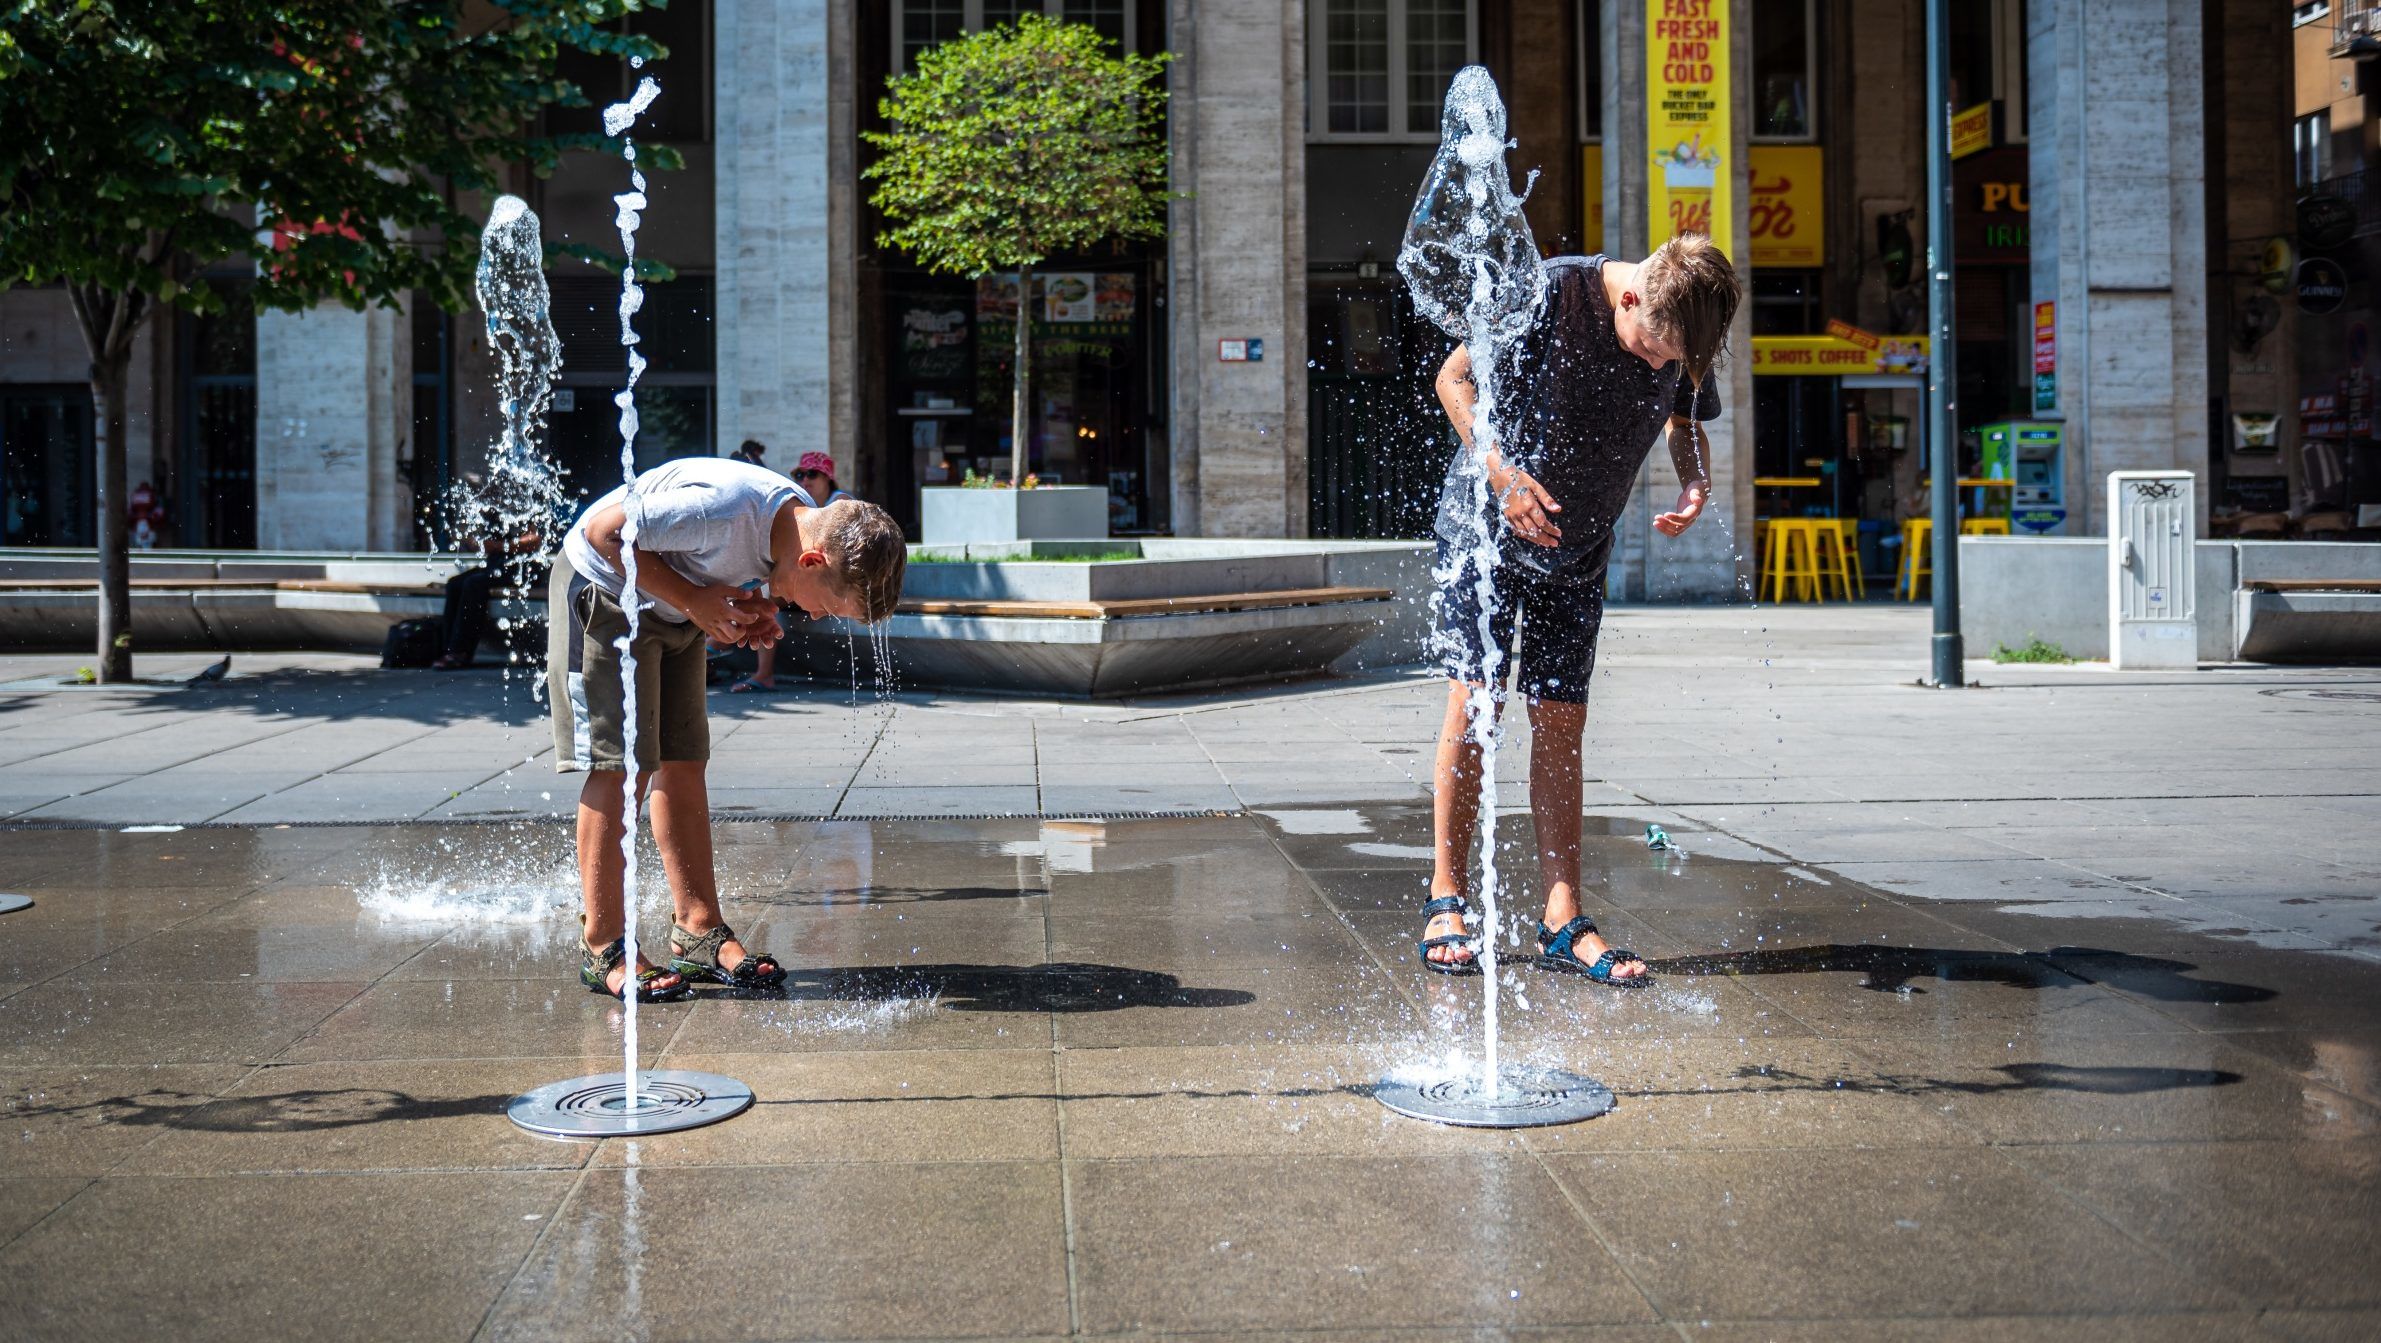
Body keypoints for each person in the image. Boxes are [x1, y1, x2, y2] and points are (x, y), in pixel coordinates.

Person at [1417, 234, 1741, 985]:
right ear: (1630, 298)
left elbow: (1684, 421)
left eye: (1673, 361)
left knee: (1561, 718)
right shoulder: (1552, 292)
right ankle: (1445, 897)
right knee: (1479, 704)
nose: (1661, 366)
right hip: (1486, 530)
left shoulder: (1684, 326)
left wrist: (1692, 480)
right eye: (1655, 350)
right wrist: (1501, 476)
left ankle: (1562, 917)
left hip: (1579, 544)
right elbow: (1453, 379)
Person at [549, 455, 907, 999]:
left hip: (670, 611)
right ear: (812, 561)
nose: (816, 616)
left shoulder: (796, 523)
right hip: (605, 595)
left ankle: (696, 929)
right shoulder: (724, 508)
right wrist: (695, 599)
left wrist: (747, 604)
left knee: (683, 761)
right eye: (830, 607)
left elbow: (729, 564)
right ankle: (603, 947)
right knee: (622, 769)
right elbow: (604, 533)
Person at [730, 451, 857, 693]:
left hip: (828, 585)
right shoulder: (801, 504)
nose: (805, 479)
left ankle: (721, 647)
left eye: (812, 473)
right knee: (765, 597)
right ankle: (742, 660)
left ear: (828, 478)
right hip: (809, 581)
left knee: (766, 599)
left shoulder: (840, 503)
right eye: (799, 474)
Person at [432, 528, 542, 671]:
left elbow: (535, 541)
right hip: (497, 563)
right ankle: (447, 649)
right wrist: (472, 542)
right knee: (454, 584)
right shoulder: (494, 510)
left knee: (473, 584)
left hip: (525, 568)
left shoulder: (530, 508)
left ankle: (459, 652)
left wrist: (499, 546)